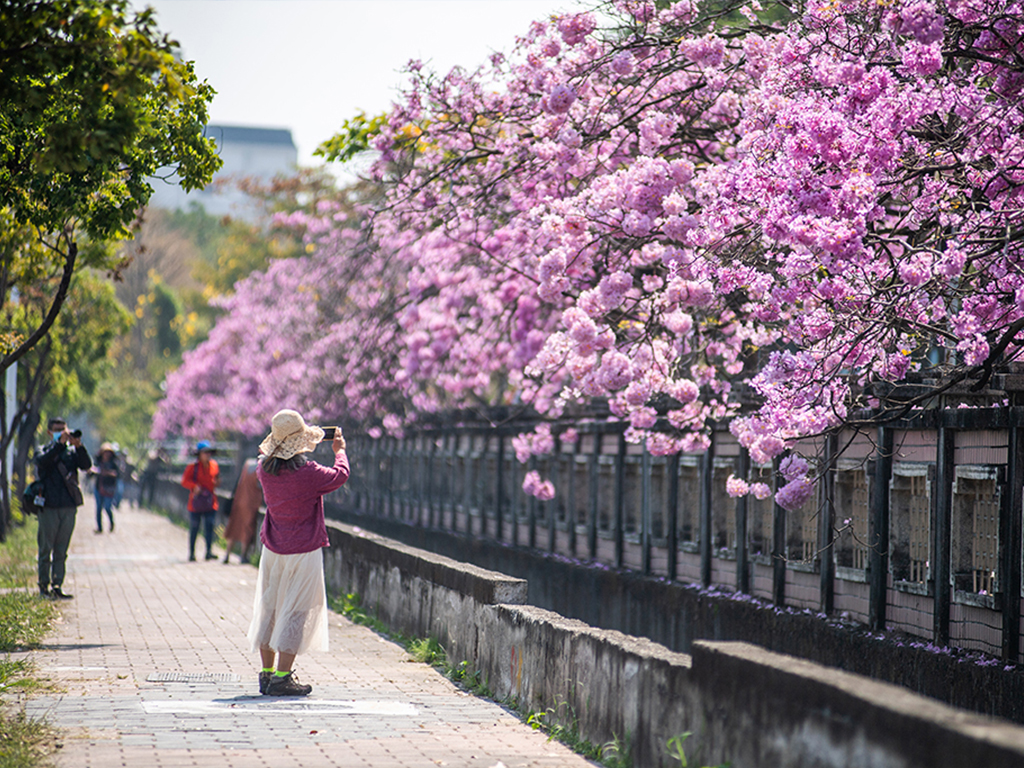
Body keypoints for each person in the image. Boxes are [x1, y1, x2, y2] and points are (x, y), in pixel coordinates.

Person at [248, 409, 349, 697]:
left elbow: (269, 456)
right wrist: (339, 451)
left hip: (273, 548)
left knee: (270, 607)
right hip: (303, 549)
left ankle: (267, 675)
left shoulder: (263, 470)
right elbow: (340, 475)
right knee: (296, 610)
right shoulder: (309, 474)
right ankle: (283, 677)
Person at [35, 416, 91, 600]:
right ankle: (43, 585)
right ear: (50, 432)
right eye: (58, 429)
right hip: (49, 505)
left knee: (61, 549)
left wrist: (78, 446)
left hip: (68, 506)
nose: (62, 432)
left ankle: (57, 585)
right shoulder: (44, 449)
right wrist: (59, 444)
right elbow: (42, 462)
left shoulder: (71, 453)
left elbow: (86, 465)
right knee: (45, 548)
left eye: (64, 429)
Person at [180, 440, 220, 562]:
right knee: (194, 527)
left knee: (209, 526)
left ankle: (208, 551)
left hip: (210, 502)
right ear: (199, 454)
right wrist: (194, 486)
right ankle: (192, 553)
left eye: (209, 453)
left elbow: (216, 479)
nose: (207, 455)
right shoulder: (192, 467)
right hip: (196, 503)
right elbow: (184, 481)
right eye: (205, 453)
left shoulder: (214, 465)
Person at [223, 456, 263, 564]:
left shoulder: (247, 465)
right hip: (251, 503)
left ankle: (227, 554)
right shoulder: (261, 470)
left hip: (239, 500)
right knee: (247, 529)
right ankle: (243, 556)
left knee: (234, 527)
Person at [92, 442, 119, 533]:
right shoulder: (98, 462)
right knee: (99, 507)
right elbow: (92, 471)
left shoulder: (113, 464)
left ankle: (111, 523)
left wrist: (108, 473)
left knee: (107, 507)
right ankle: (99, 527)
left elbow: (117, 474)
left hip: (109, 488)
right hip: (98, 487)